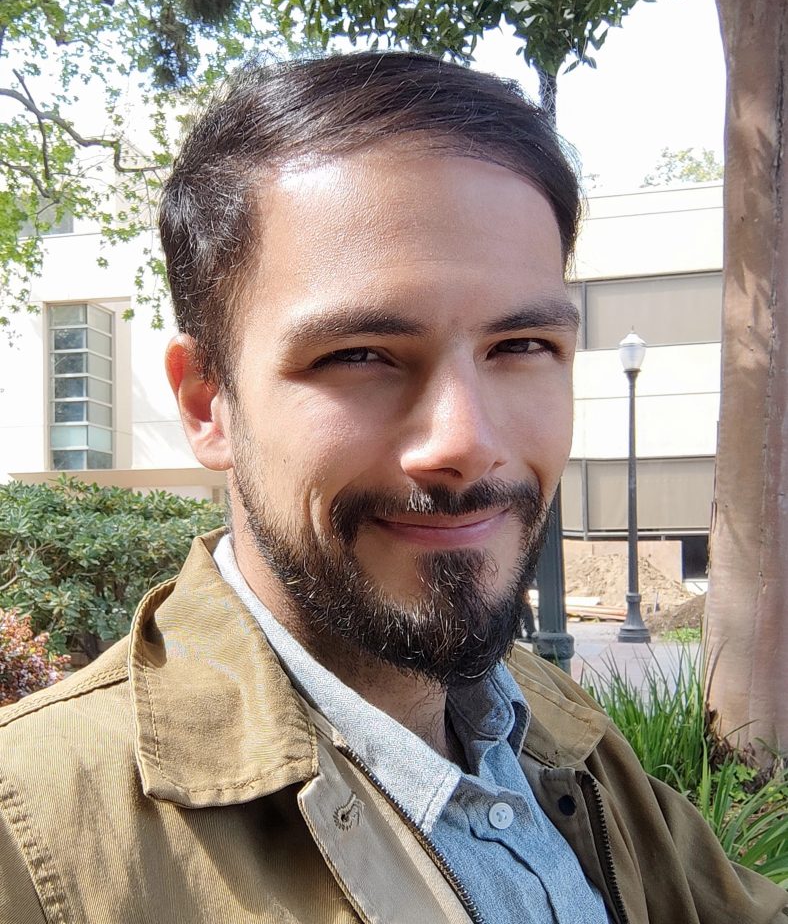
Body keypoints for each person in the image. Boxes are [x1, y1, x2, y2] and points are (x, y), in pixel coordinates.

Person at [0, 53, 785, 924]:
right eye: (360, 355)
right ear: (206, 403)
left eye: (522, 345)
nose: (466, 442)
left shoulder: (551, 725)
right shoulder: (32, 845)